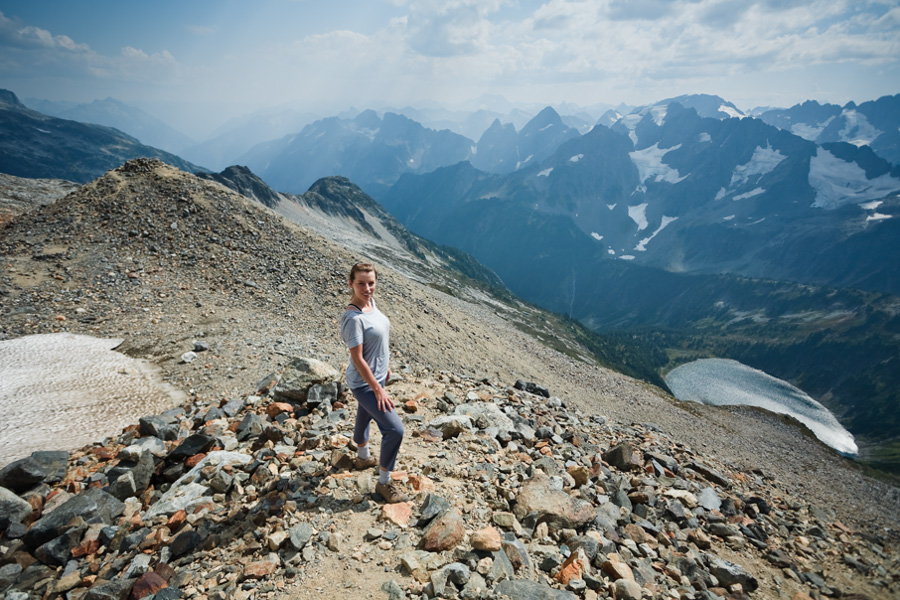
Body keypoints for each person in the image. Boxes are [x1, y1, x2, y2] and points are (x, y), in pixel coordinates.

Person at [339, 263, 407, 503]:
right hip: (364, 383)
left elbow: (375, 342)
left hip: (377, 376)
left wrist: (383, 368)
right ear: (351, 284)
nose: (367, 288)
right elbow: (357, 358)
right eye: (361, 283)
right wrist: (377, 389)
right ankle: (384, 483)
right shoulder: (353, 318)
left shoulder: (370, 304)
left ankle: (363, 456)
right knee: (394, 430)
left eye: (371, 283)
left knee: (365, 413)